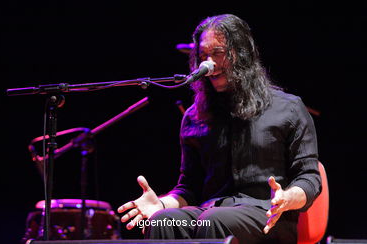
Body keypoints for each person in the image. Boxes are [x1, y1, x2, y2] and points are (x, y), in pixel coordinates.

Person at [117, 14, 322, 244]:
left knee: (215, 222)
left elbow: (309, 178)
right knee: (162, 222)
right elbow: (190, 188)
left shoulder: (288, 108)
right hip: (210, 212)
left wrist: (287, 198)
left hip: (268, 215)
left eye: (218, 53)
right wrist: (162, 204)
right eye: (203, 56)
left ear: (242, 54)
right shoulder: (195, 116)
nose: (209, 64)